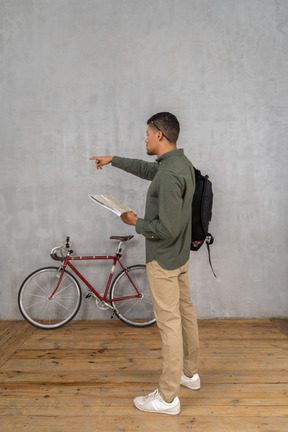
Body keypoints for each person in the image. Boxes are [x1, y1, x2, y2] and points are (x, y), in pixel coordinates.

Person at [90, 112, 200, 415]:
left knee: (170, 326)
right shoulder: (180, 164)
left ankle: (167, 398)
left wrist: (134, 221)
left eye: (148, 133)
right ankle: (189, 373)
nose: (145, 138)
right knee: (185, 313)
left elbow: (165, 228)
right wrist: (113, 159)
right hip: (179, 258)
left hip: (163, 260)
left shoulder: (168, 175)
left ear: (160, 135)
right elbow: (146, 169)